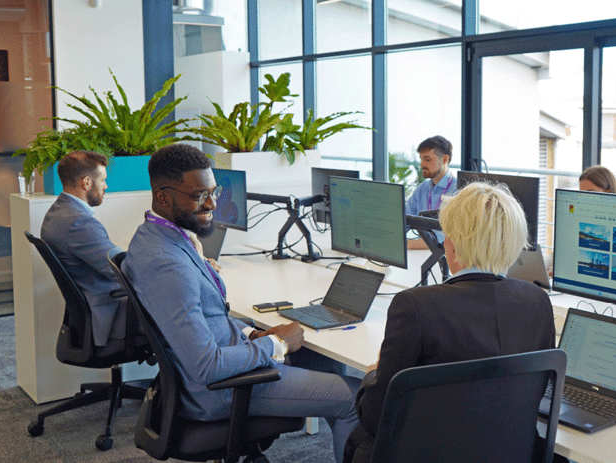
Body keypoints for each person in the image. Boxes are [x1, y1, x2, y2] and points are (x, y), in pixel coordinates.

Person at [122, 144, 360, 463]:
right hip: (221, 389)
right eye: (198, 195)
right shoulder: (168, 264)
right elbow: (206, 365)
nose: (211, 203)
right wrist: (275, 344)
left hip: (220, 367)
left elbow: (209, 316)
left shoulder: (154, 237)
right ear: (162, 196)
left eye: (214, 191)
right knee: (358, 398)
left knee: (326, 363)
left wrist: (251, 334)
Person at [344, 182, 556, 463]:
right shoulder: (537, 302)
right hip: (510, 451)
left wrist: (374, 373)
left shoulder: (414, 306)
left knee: (358, 437)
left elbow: (375, 416)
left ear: (451, 244)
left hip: (427, 454)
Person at [41, 150, 128, 346]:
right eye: (103, 180)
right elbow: (122, 268)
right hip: (111, 312)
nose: (106, 186)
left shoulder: (57, 212)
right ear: (87, 182)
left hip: (93, 307)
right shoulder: (79, 222)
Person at [406, 135, 456, 250]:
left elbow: (449, 238)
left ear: (444, 160)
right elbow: (405, 220)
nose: (422, 165)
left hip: (447, 256)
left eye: (427, 159)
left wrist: (407, 244)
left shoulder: (459, 191)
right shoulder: (422, 189)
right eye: (421, 159)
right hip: (420, 253)